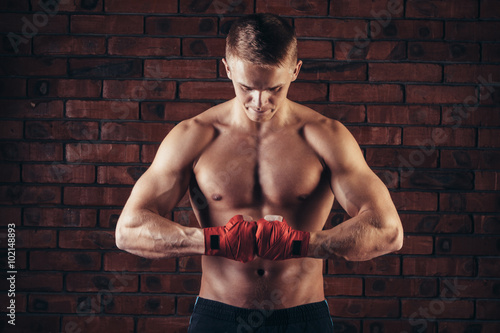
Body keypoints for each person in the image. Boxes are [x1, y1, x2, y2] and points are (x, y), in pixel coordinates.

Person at [115, 13, 403, 333]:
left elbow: (387, 230)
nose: (260, 102)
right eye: (247, 87)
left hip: (302, 317)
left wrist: (300, 245)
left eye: (275, 88)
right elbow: (129, 230)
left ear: (295, 70)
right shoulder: (193, 136)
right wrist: (213, 241)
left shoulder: (326, 137)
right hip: (218, 315)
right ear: (227, 68)